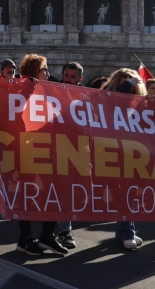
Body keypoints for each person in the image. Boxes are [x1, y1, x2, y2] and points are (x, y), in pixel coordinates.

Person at [11, 54, 69, 256]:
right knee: (29, 192)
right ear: (36, 70)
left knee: (50, 190)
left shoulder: (45, 91)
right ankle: (26, 238)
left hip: (45, 148)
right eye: (45, 70)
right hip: (27, 148)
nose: (47, 74)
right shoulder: (23, 88)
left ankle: (45, 236)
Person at [104, 68, 145, 250]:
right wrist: (131, 84)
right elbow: (117, 98)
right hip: (111, 152)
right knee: (122, 193)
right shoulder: (108, 98)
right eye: (124, 78)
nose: (128, 81)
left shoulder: (139, 104)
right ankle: (127, 232)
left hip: (133, 153)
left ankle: (125, 231)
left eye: (132, 78)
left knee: (130, 192)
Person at [54, 62, 84, 248]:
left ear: (80, 79)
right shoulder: (52, 92)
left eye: (73, 77)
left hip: (79, 150)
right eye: (66, 75)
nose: (68, 79)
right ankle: (64, 231)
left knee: (75, 193)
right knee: (63, 192)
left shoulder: (87, 97)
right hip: (56, 148)